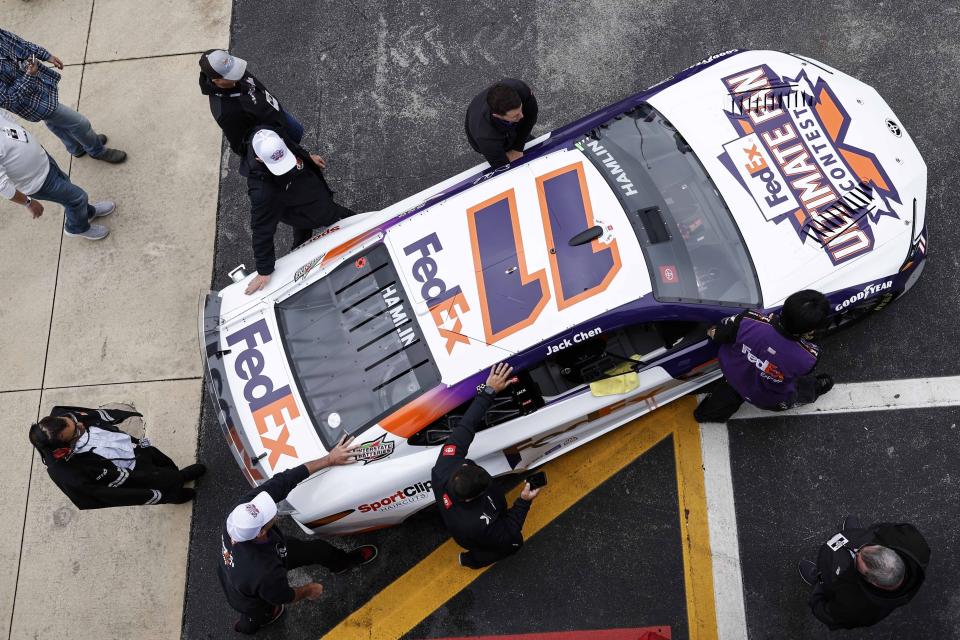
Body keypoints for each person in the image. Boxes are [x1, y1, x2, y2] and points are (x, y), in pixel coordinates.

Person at [218, 435, 378, 635]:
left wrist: (329, 459)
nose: (272, 508)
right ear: (260, 533)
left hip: (261, 560)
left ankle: (342, 563)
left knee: (318, 550)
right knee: (259, 611)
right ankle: (251, 625)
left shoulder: (241, 513)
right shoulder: (264, 574)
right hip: (247, 594)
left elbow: (283, 481)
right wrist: (309, 590)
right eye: (269, 514)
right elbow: (284, 595)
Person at [431, 362, 541, 569]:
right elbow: (509, 533)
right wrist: (524, 501)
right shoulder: (480, 524)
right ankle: (470, 561)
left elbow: (466, 426)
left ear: (460, 471)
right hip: (471, 536)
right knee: (513, 545)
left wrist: (489, 390)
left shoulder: (445, 466)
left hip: (456, 519)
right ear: (477, 496)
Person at [241, 126, 355, 295]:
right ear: (259, 158)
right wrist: (264, 269)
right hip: (308, 208)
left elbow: (292, 146)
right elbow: (261, 229)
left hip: (307, 194)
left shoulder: (268, 134)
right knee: (349, 221)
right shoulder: (262, 192)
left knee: (301, 236)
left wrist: (307, 158)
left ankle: (299, 252)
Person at [693, 289, 835, 422]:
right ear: (810, 331)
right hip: (765, 397)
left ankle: (706, 414)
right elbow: (800, 371)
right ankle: (815, 389)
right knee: (798, 391)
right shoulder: (809, 357)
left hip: (732, 375)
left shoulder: (748, 320)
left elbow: (717, 333)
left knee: (725, 395)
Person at [29, 405, 205, 509]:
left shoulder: (60, 415)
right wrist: (154, 496)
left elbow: (91, 415)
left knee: (162, 461)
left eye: (73, 421)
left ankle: (179, 476)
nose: (81, 424)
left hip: (133, 446)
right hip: (133, 472)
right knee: (159, 480)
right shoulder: (70, 474)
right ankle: (173, 495)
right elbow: (108, 495)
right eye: (77, 431)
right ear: (64, 448)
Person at [0, 27, 125, 162]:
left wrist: (46, 56)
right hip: (30, 103)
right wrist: (30, 75)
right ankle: (97, 150)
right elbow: (9, 100)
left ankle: (76, 147)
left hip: (38, 87)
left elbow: (21, 44)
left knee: (54, 121)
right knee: (80, 124)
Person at [798, 516, 930, 630]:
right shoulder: (912, 540)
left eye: (856, 559)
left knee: (825, 582)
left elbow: (827, 614)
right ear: (893, 552)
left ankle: (818, 578)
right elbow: (881, 529)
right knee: (858, 538)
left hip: (832, 584)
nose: (855, 550)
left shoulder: (854, 609)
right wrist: (862, 534)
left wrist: (819, 593)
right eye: (866, 546)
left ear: (873, 582)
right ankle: (853, 533)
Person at [0, 113, 115, 240]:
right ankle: (76, 228)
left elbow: (10, 121)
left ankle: (88, 213)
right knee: (78, 197)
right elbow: (3, 186)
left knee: (70, 195)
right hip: (38, 182)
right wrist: (28, 202)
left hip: (46, 162)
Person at [198, 49, 303, 155]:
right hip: (275, 138)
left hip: (278, 114)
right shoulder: (227, 113)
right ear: (216, 80)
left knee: (298, 133)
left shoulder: (233, 73)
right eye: (232, 74)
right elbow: (240, 146)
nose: (239, 72)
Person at [464, 78, 538, 169]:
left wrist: (518, 147)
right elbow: (502, 167)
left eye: (521, 109)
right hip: (486, 136)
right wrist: (512, 154)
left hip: (501, 123)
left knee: (522, 139)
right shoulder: (486, 137)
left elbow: (531, 116)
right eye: (515, 116)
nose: (522, 116)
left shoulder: (521, 89)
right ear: (497, 116)